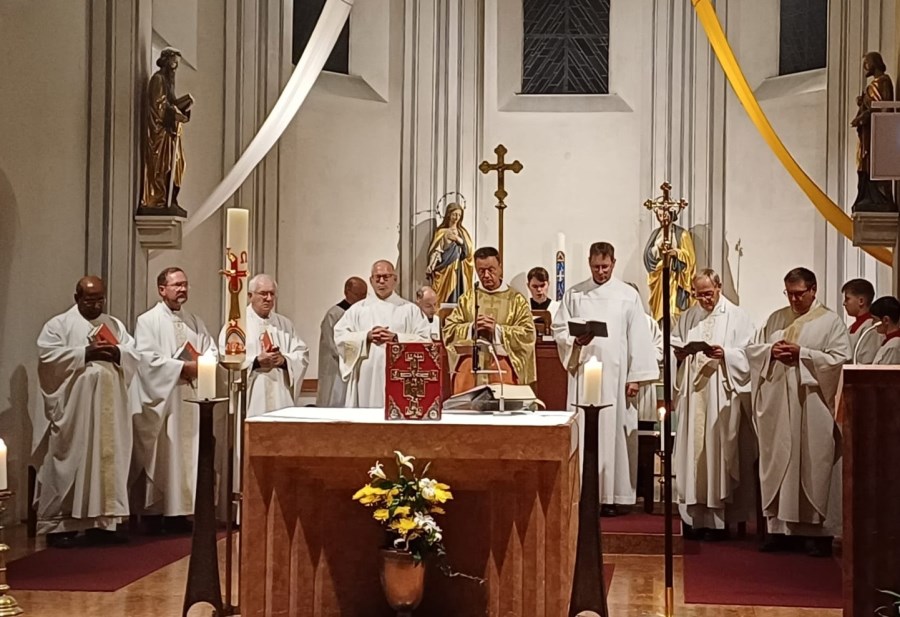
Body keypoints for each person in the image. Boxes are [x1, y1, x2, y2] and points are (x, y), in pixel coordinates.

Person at [744, 267, 850, 556]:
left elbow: (841, 361)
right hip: (778, 406)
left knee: (814, 462)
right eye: (789, 294)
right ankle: (780, 531)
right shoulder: (776, 317)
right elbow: (753, 350)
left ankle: (818, 534)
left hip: (812, 405)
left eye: (799, 294)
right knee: (780, 461)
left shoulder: (831, 322)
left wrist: (802, 354)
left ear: (813, 289)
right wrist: (770, 353)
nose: (793, 300)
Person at [552, 242, 659, 516]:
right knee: (584, 430)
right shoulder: (575, 294)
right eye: (596, 267)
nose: (600, 272)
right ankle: (583, 494)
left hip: (616, 377)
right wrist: (575, 339)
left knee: (613, 433)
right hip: (583, 373)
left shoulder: (627, 295)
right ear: (589, 262)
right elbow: (560, 328)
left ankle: (612, 496)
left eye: (605, 266)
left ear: (614, 262)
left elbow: (638, 336)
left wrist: (635, 377)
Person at [33, 276, 141, 548]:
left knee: (108, 459)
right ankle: (60, 526)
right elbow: (48, 357)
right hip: (76, 409)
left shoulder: (113, 324)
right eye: (89, 299)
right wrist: (85, 353)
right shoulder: (58, 325)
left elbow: (133, 353)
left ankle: (103, 524)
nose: (95, 304)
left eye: (100, 299)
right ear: (77, 297)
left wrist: (116, 352)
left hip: (110, 406)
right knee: (71, 458)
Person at [672, 269, 756, 539]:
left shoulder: (737, 316)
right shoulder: (689, 316)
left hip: (720, 394)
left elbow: (749, 353)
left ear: (719, 287)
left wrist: (726, 354)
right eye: (699, 295)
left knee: (718, 452)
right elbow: (675, 341)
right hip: (693, 393)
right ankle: (694, 518)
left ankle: (718, 521)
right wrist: (681, 353)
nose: (704, 300)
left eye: (709, 293)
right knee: (691, 452)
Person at [133, 267, 217, 534]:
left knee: (188, 454)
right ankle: (158, 512)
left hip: (190, 397)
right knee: (166, 454)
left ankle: (181, 512)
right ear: (162, 289)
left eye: (185, 285)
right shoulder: (148, 321)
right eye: (177, 285)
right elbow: (147, 360)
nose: (182, 290)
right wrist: (182, 368)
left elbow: (210, 349)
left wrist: (202, 364)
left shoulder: (194, 321)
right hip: (165, 400)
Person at [333, 260, 432, 407]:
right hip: (365, 377)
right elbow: (340, 337)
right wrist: (366, 336)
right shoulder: (357, 310)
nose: (381, 281)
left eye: (386, 277)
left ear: (395, 280)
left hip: (400, 376)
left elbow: (426, 341)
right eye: (377, 277)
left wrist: (397, 338)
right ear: (371, 280)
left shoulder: (409, 310)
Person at [443, 247, 537, 392]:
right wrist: (471, 328)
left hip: (503, 373)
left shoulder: (516, 300)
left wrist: (498, 331)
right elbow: (449, 330)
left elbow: (528, 334)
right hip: (472, 374)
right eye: (481, 271)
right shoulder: (468, 299)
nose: (486, 275)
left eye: (491, 270)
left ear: (500, 268)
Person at [219, 274, 309, 416]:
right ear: (250, 295)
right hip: (252, 397)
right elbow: (225, 360)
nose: (268, 298)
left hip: (281, 396)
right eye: (263, 293)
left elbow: (302, 353)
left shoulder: (284, 324)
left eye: (272, 294)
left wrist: (284, 360)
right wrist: (255, 362)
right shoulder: (236, 325)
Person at [138, 48, 194, 217]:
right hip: (160, 133)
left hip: (170, 132)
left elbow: (171, 102)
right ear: (167, 62)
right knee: (164, 165)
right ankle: (159, 199)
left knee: (179, 165)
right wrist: (174, 113)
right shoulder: (158, 80)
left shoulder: (168, 82)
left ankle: (172, 199)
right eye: (174, 63)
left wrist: (184, 107)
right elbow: (159, 106)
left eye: (176, 65)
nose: (175, 69)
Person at [851, 51, 896, 211]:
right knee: (864, 163)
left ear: (875, 63)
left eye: (867, 63)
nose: (864, 67)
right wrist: (863, 102)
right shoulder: (874, 84)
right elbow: (872, 104)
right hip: (867, 133)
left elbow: (881, 107)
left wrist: (862, 116)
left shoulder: (883, 82)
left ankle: (879, 197)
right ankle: (867, 196)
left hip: (876, 133)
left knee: (873, 162)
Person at [316, 277, 367, 407]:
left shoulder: (363, 314)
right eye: (357, 294)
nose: (361, 299)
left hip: (356, 367)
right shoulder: (334, 314)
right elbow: (333, 345)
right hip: (336, 369)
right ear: (347, 292)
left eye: (364, 295)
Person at [643, 218, 696, 323]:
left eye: (666, 213)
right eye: (659, 213)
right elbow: (648, 257)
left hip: (676, 280)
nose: (663, 216)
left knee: (672, 314)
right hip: (660, 280)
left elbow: (690, 259)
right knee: (660, 314)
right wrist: (657, 249)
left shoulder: (682, 234)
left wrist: (676, 253)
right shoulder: (656, 234)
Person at [425, 203, 475, 304]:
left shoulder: (462, 232)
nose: (456, 217)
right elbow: (436, 250)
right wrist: (431, 265)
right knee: (442, 297)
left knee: (456, 292)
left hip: (457, 267)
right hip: (444, 267)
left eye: (459, 215)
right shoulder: (441, 232)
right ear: (448, 214)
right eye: (454, 214)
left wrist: (458, 240)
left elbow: (469, 251)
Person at [841, 278, 882, 363]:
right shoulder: (854, 326)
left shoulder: (872, 327)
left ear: (861, 301)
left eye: (847, 299)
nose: (844, 303)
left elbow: (866, 362)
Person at [870, 296, 900, 364]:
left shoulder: (894, 346)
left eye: (874, 319)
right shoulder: (888, 341)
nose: (872, 323)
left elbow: (886, 373)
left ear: (886, 320)